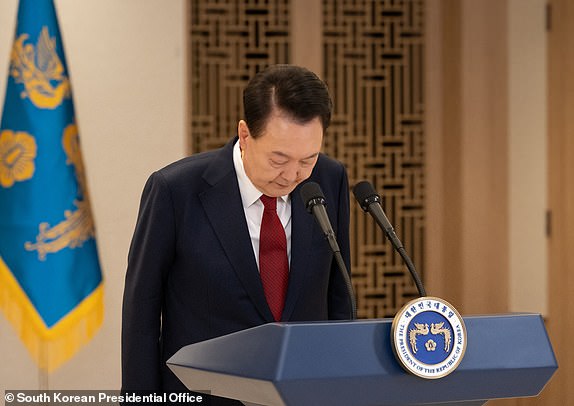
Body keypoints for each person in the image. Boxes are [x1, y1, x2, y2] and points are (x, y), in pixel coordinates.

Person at [121, 64, 352, 405]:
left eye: (308, 159)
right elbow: (141, 311)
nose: (292, 175)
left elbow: (338, 294)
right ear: (245, 135)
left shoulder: (329, 180)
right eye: (279, 158)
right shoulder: (176, 191)